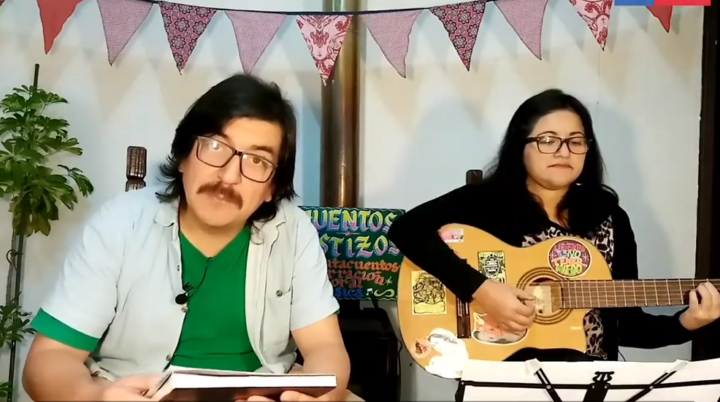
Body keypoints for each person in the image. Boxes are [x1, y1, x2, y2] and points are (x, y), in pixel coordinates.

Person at [22, 74, 353, 401]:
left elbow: (325, 347)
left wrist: (319, 397)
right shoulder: (120, 223)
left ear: (272, 187)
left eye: (257, 160)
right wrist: (96, 397)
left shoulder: (294, 231)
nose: (229, 176)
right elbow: (50, 359)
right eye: (215, 146)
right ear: (182, 155)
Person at [388, 88, 720, 364]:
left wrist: (687, 323)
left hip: (590, 385)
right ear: (520, 146)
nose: (563, 151)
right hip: (504, 380)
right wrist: (483, 290)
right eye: (548, 140)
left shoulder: (610, 219)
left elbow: (628, 327)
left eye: (576, 141)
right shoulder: (486, 201)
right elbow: (406, 229)